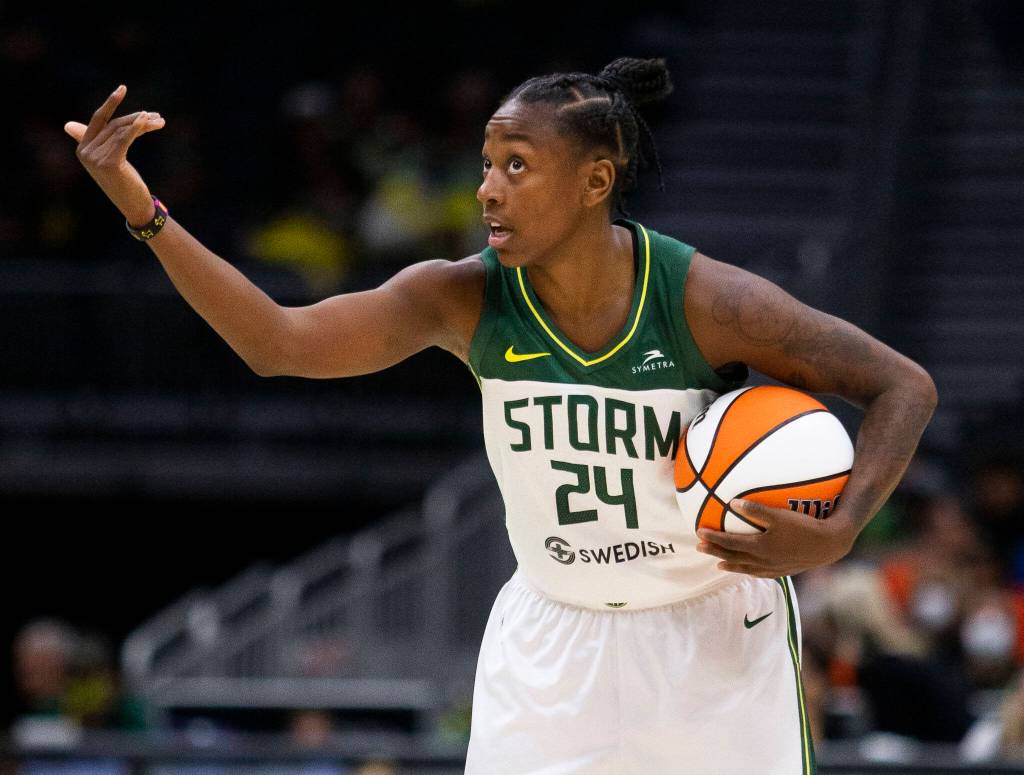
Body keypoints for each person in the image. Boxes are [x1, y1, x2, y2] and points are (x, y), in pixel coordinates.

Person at [64, 57, 937, 774]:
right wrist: (145, 212)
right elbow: (279, 342)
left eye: (516, 164)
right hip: (552, 637)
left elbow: (902, 385)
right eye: (487, 163)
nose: (487, 189)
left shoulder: (707, 300)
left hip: (709, 634)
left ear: (596, 180)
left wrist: (844, 526)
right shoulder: (462, 297)